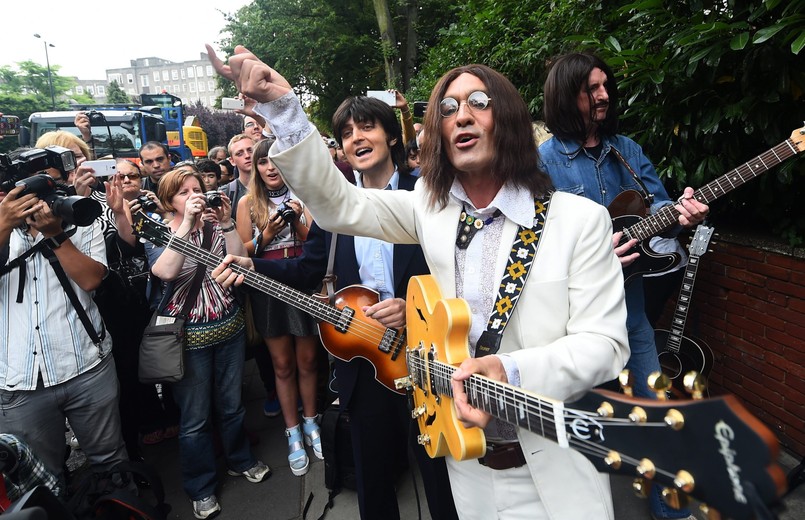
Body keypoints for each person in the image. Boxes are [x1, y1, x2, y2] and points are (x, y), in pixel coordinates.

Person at [214, 94, 458, 520]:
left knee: (441, 472)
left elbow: (459, 268)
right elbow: (308, 267)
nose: (355, 138)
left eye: (366, 127)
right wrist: (253, 264)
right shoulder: (332, 210)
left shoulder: (429, 195)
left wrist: (416, 306)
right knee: (372, 473)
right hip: (363, 361)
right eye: (346, 133)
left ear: (391, 136)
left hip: (427, 352)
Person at [538, 52, 708, 520]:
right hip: (567, 320)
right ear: (565, 94)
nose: (604, 95)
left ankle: (672, 512)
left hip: (629, 310)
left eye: (605, 86)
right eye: (591, 88)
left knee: (654, 412)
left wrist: (683, 214)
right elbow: (530, 248)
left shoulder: (626, 150)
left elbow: (663, 212)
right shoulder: (541, 162)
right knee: (577, 418)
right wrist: (590, 258)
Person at [143, 167, 270, 519]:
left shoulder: (215, 226)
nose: (193, 196)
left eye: (196, 188)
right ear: (169, 201)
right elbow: (166, 271)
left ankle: (240, 459)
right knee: (195, 418)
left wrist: (228, 222)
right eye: (183, 192)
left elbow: (237, 263)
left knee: (232, 406)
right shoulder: (159, 231)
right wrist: (186, 223)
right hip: (188, 339)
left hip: (228, 330)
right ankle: (200, 487)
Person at [0, 151, 129, 491]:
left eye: (50, 183)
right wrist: (4, 223)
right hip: (20, 380)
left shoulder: (77, 217)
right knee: (38, 479)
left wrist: (56, 235)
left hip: (86, 363)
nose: (42, 197)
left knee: (111, 461)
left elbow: (91, 280)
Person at [235, 139, 322, 476]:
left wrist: (297, 221)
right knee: (282, 365)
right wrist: (267, 233)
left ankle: (312, 421)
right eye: (262, 162)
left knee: (309, 359)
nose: (270, 168)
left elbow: (316, 241)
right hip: (267, 285)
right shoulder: (247, 202)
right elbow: (243, 251)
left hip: (301, 279)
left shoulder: (307, 195)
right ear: (255, 168)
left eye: (275, 161)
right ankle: (292, 432)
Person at [223, 134, 255, 219]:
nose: (247, 156)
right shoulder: (226, 193)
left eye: (250, 150)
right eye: (239, 153)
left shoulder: (272, 184)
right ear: (232, 161)